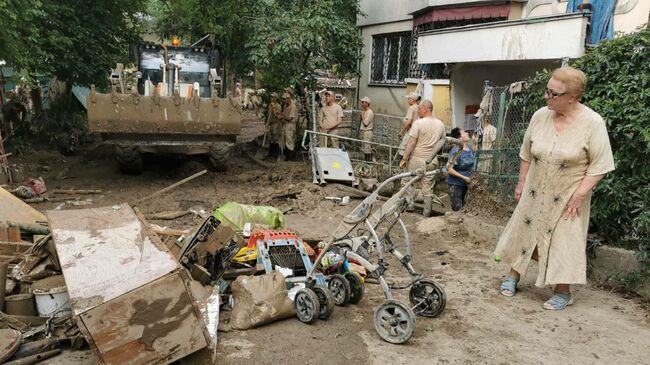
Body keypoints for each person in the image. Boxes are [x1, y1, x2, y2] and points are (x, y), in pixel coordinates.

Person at [495, 67, 615, 310]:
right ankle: (513, 274)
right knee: (525, 229)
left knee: (564, 239)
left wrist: (580, 195)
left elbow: (600, 165)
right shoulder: (540, 116)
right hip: (535, 191)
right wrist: (521, 182)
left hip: (568, 195)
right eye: (547, 91)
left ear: (573, 97)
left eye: (554, 94)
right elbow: (526, 152)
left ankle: (563, 291)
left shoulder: (593, 123)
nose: (547, 97)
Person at [399, 100, 446, 217]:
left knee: (407, 181)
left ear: (425, 109)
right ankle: (427, 212)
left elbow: (411, 143)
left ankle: (409, 205)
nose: (418, 111)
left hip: (417, 159)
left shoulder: (418, 123)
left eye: (419, 109)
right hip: (432, 160)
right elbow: (443, 141)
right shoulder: (440, 124)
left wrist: (404, 159)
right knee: (428, 187)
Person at [446, 127, 476, 211]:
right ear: (459, 138)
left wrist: (474, 142)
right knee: (457, 209)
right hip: (456, 184)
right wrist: (464, 178)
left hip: (467, 184)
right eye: (464, 133)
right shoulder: (456, 151)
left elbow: (475, 152)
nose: (467, 133)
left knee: (464, 209)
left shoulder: (469, 148)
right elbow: (450, 169)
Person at [398, 92, 420, 157]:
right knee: (411, 148)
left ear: (413, 100)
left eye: (409, 99)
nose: (407, 100)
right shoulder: (418, 107)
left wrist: (402, 131)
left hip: (411, 130)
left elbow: (409, 121)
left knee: (402, 148)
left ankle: (403, 164)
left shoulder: (412, 108)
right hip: (416, 130)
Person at [279, 92, 298, 161]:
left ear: (288, 98)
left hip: (290, 125)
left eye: (285, 99)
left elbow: (290, 118)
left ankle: (291, 158)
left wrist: (282, 116)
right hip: (285, 124)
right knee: (285, 140)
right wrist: (280, 115)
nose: (284, 100)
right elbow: (284, 114)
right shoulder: (285, 105)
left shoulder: (292, 106)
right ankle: (287, 156)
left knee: (289, 141)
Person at [265, 93, 282, 160]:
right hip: (271, 123)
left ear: (276, 98)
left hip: (276, 123)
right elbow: (269, 115)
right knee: (270, 138)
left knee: (276, 138)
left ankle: (276, 154)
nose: (271, 98)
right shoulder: (270, 105)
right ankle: (270, 153)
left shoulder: (278, 106)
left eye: (273, 97)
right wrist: (267, 123)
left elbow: (276, 115)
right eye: (271, 97)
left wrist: (274, 107)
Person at [359, 96, 374, 162]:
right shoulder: (365, 111)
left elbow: (365, 123)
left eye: (363, 102)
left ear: (367, 103)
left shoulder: (369, 112)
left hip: (367, 132)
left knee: (367, 149)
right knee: (364, 149)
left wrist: (362, 115)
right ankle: (366, 163)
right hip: (364, 132)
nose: (361, 104)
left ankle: (368, 163)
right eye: (361, 102)